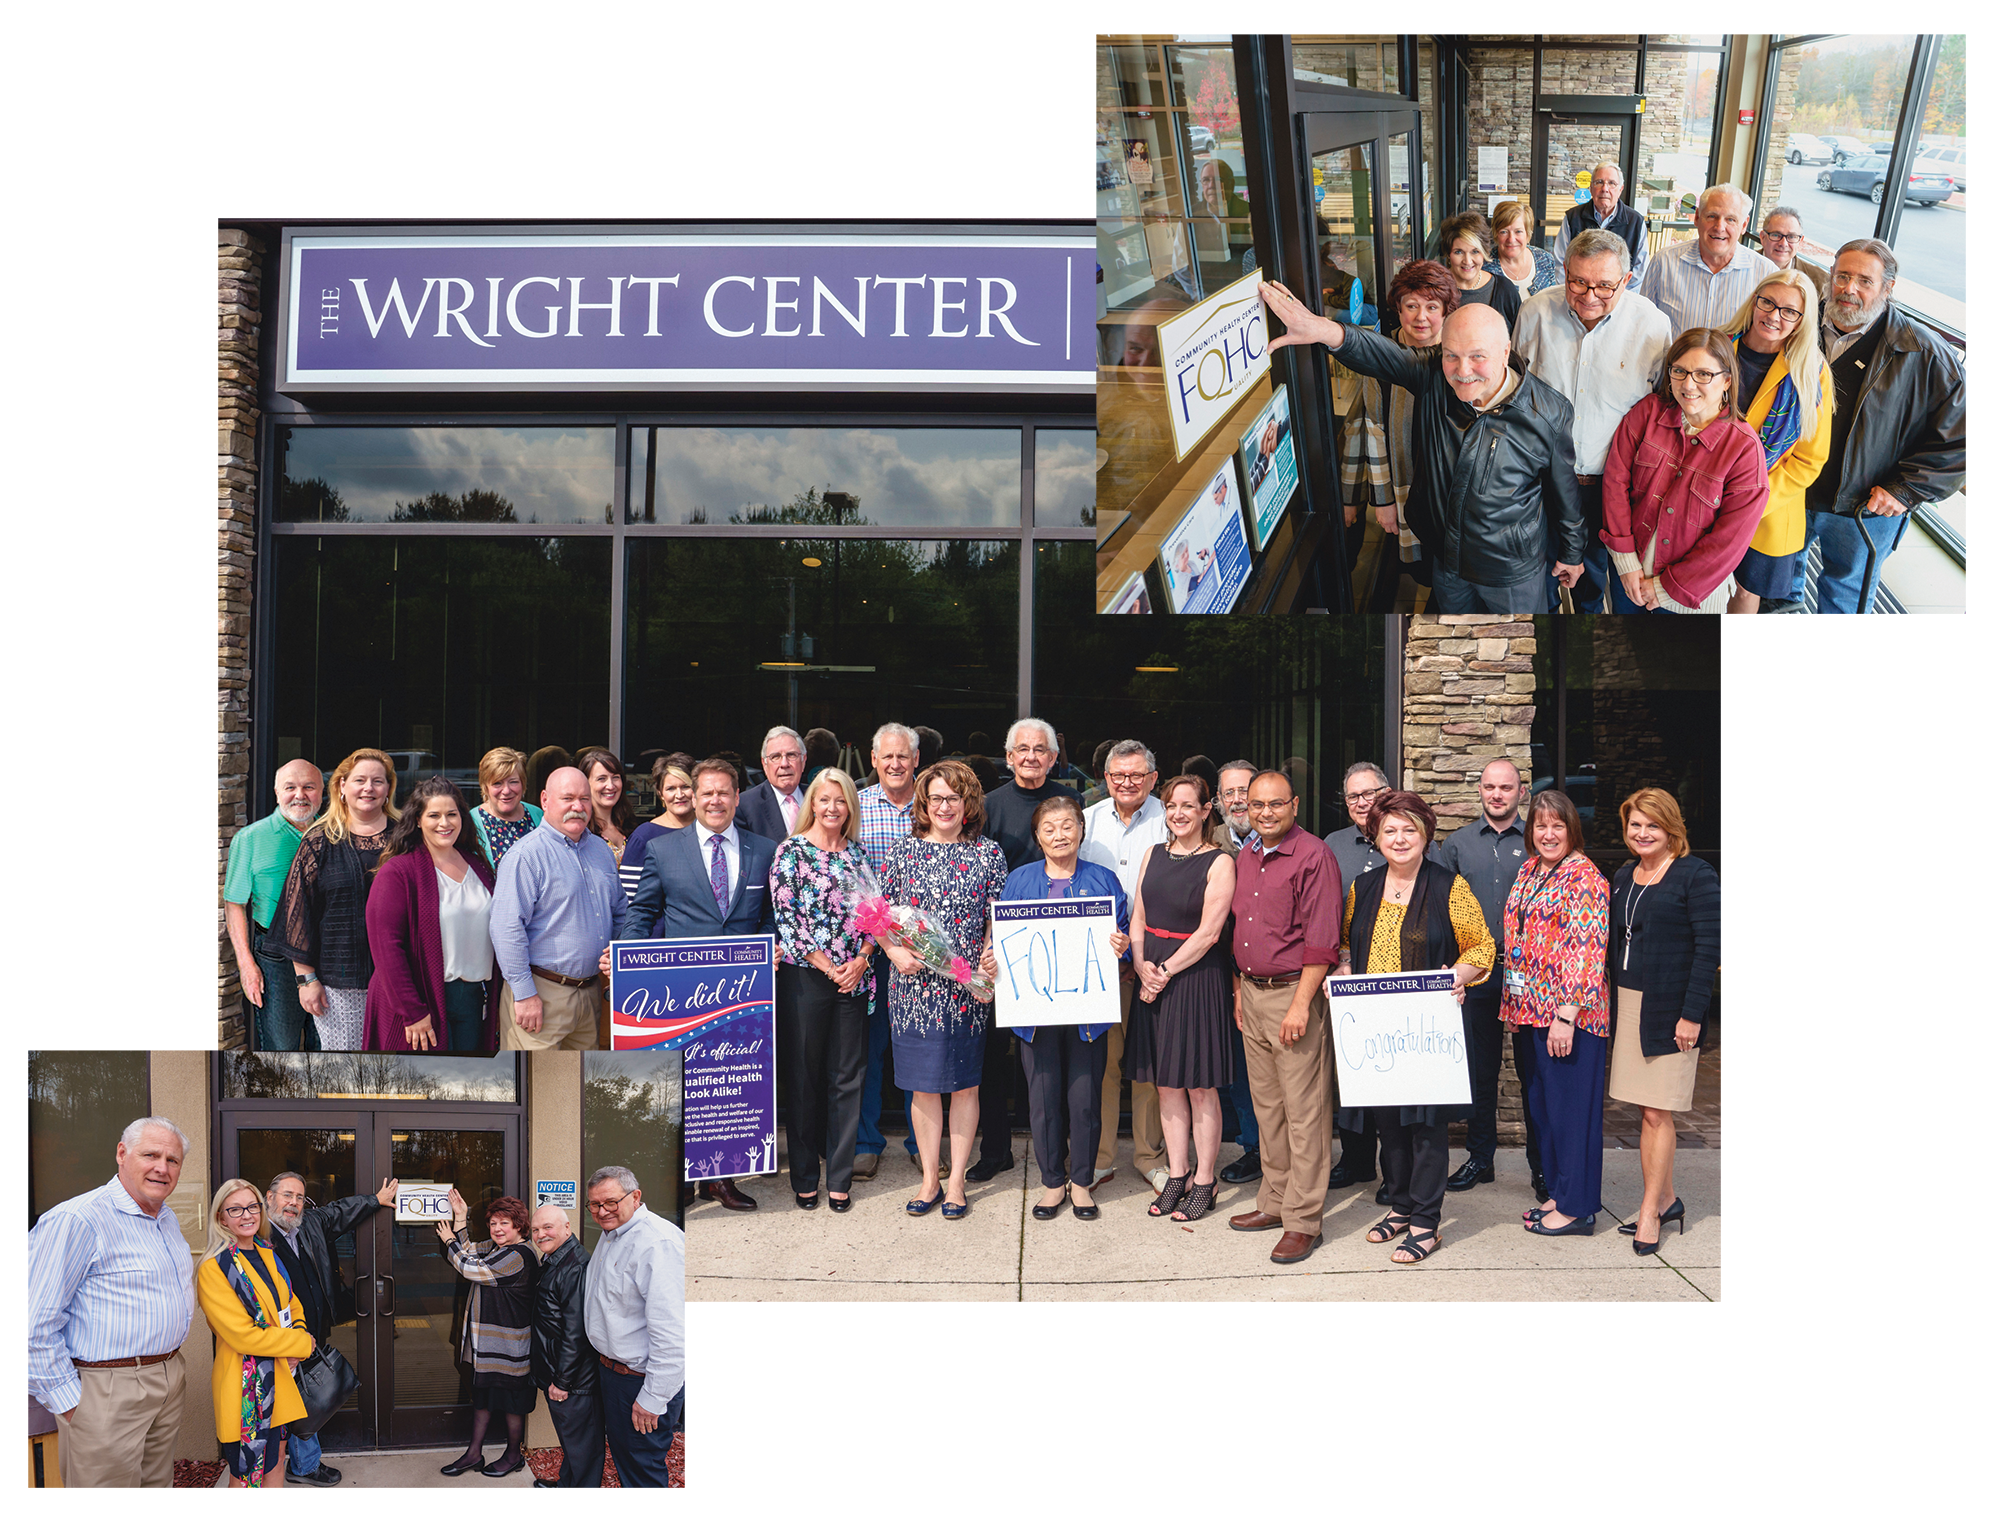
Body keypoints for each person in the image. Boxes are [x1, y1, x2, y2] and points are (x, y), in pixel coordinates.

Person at [1261, 280, 1585, 614]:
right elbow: (1381, 354)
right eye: (1451, 356)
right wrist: (1322, 329)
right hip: (1447, 560)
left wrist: (1573, 553)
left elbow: (1564, 490)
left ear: (1505, 352)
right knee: (1454, 643)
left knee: (1512, 649)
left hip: (1510, 570)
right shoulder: (1433, 375)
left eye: (1477, 357)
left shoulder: (1548, 413)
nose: (1462, 372)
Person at [1334, 791, 1495, 1265]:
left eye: (1410, 830)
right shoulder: (1362, 889)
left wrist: (1456, 977)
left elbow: (1480, 948)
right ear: (1375, 836)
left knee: (1427, 1126)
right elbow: (1347, 943)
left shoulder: (1449, 887)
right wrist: (1343, 968)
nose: (1399, 838)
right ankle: (1401, 1206)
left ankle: (1427, 1221)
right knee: (1389, 1125)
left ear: (1425, 836)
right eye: (1390, 830)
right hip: (1377, 1030)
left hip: (1427, 1030)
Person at [614, 756, 775, 1212]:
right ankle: (679, 1179)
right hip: (682, 990)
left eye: (724, 792)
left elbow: (768, 919)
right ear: (694, 796)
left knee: (729, 1085)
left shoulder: (763, 849)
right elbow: (641, 912)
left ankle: (720, 1180)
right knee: (681, 1084)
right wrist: (630, 962)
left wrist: (773, 949)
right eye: (707, 792)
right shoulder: (663, 850)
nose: (715, 800)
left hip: (742, 991)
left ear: (737, 797)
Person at [1791, 238, 1966, 614]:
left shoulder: (1926, 354)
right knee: (1781, 589)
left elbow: (1961, 442)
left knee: (1845, 600)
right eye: (1842, 276)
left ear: (1888, 288)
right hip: (1791, 492)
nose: (1848, 289)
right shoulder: (1794, 326)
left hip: (1864, 509)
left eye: (1864, 281)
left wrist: (1905, 490)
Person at [979, 794, 1131, 1222]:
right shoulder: (1020, 880)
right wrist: (992, 957)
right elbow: (1003, 939)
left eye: (1067, 826)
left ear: (1081, 831)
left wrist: (1123, 947)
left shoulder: (1103, 880)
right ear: (1038, 835)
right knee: (1043, 1101)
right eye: (1050, 828)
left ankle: (1081, 1183)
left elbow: (1123, 939)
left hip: (1087, 1014)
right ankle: (1050, 1183)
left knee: (1084, 1100)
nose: (1059, 835)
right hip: (1035, 1016)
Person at [28, 1117, 195, 1489]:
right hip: (106, 1389)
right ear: (122, 1153)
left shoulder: (165, 1219)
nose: (162, 1168)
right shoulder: (78, 1219)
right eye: (150, 1154)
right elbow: (34, 1323)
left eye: (173, 1160)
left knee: (156, 1482)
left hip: (166, 1375)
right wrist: (72, 1404)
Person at [1514, 228, 1674, 612]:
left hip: (1611, 485)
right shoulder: (1535, 311)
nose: (1589, 297)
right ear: (1564, 270)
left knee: (1594, 574)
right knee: (1537, 573)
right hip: (1541, 477)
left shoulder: (1653, 327)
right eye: (1578, 282)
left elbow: (1662, 408)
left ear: (1627, 280)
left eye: (1604, 286)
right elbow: (1515, 389)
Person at [881, 759, 1009, 1220]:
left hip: (965, 990)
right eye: (936, 797)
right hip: (913, 989)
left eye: (954, 798)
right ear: (924, 803)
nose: (944, 806)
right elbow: (876, 917)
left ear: (968, 803)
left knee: (965, 1087)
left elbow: (997, 919)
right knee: (922, 1089)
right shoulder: (902, 852)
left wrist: (988, 962)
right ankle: (929, 1179)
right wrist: (894, 953)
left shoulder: (988, 854)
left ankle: (956, 1182)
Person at [1225, 768, 1342, 1266]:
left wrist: (1300, 1005)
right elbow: (1241, 928)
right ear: (1245, 809)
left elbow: (1322, 939)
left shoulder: (1314, 855)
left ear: (1294, 805)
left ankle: (1303, 1220)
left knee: (1305, 1114)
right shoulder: (1247, 855)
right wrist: (1238, 989)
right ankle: (1273, 1203)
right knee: (1268, 1109)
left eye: (1275, 804)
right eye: (1257, 805)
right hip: (1251, 994)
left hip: (1295, 994)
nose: (1266, 813)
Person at [1608, 789, 1719, 1256]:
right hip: (1630, 1003)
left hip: (1671, 1009)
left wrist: (1691, 1015)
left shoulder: (1696, 875)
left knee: (1659, 1111)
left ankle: (1651, 1210)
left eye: (1652, 825)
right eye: (1635, 825)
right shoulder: (1623, 875)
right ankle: (1668, 1197)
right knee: (1644, 1109)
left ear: (1671, 827)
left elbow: (1709, 951)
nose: (1642, 833)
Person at [1128, 775, 1238, 1224]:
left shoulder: (1219, 861)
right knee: (1166, 1083)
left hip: (1193, 977)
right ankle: (1178, 1174)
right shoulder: (1152, 854)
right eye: (1171, 806)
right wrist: (1140, 965)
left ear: (1205, 810)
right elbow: (1138, 914)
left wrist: (1165, 971)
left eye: (1188, 806)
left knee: (1198, 1084)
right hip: (1150, 969)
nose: (1178, 814)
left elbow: (1211, 932)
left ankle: (1206, 1179)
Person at [1503, 790, 1611, 1240]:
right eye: (1541, 825)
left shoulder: (1584, 877)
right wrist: (1512, 1005)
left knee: (1572, 1115)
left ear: (1572, 829)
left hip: (1569, 1019)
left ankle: (1579, 1208)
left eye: (1557, 826)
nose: (1548, 834)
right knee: (1545, 1112)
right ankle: (1561, 1193)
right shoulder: (1530, 869)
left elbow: (1586, 951)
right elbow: (1519, 939)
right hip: (1530, 1013)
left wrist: (1565, 1017)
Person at [1602, 328, 1770, 613]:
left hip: (1685, 596)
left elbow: (1729, 540)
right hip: (1628, 576)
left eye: (1703, 374)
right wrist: (1626, 562)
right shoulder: (1648, 412)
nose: (1688, 385)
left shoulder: (1744, 449)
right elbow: (1615, 482)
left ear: (1727, 380)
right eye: (1679, 371)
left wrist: (1667, 588)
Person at [1436, 760, 1544, 1201]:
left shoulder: (1539, 839)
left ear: (1522, 792)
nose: (1497, 794)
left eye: (1506, 787)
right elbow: (1443, 908)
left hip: (1529, 977)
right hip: (1477, 972)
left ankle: (1542, 1167)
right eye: (1489, 787)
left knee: (1532, 1073)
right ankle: (1481, 1159)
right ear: (1478, 790)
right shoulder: (1457, 844)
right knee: (1479, 1072)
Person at [970, 718, 1072, 1182]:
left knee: (1054, 1057)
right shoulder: (987, 808)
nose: (1031, 757)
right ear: (1008, 758)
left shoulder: (1072, 804)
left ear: (1054, 757)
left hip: (1060, 952)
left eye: (1040, 750)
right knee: (994, 1055)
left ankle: (1058, 1147)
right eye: (1022, 750)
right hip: (998, 949)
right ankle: (995, 1149)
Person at [771, 766, 877, 1212]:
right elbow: (787, 920)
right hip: (806, 979)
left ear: (849, 806)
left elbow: (878, 915)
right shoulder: (791, 852)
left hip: (855, 977)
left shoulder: (858, 854)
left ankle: (839, 1177)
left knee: (847, 1079)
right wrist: (829, 967)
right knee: (803, 1080)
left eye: (840, 801)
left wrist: (863, 958)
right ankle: (805, 1178)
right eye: (824, 799)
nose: (832, 808)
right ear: (811, 803)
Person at [263, 1170, 397, 1487]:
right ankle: (302, 1466)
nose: (293, 1203)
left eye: (298, 1197)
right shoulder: (257, 1233)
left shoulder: (309, 1223)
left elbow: (339, 1211)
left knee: (306, 1396)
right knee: (292, 1400)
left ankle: (299, 1463)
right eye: (287, 1195)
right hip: (278, 1338)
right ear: (269, 1197)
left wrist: (375, 1201)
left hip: (312, 1330)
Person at [1315, 760, 1411, 1198]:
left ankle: (1397, 1173)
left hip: (1400, 978)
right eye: (1353, 796)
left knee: (1393, 1077)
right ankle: (1355, 1162)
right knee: (1352, 1073)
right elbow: (1323, 912)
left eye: (1369, 794)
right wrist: (1337, 960)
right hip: (1348, 974)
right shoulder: (1332, 845)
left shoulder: (1408, 836)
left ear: (1387, 793)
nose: (1361, 803)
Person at [1078, 740, 1171, 1193]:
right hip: (1102, 966)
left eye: (1136, 775)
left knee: (1150, 1065)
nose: (1127, 783)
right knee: (1105, 1064)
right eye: (1118, 776)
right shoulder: (1088, 822)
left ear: (1153, 778)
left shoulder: (1169, 818)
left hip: (1158, 963)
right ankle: (1100, 1157)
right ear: (1106, 778)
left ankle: (1151, 1155)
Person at [267, 747, 401, 1051]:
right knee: (346, 1072)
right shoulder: (319, 840)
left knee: (396, 1071)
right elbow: (296, 914)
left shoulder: (405, 837)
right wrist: (306, 980)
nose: (369, 788)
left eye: (378, 781)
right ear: (342, 786)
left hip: (400, 980)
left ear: (388, 789)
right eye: (360, 780)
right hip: (340, 988)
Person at [1341, 260, 1457, 609]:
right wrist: (1382, 500)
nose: (1421, 317)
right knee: (1422, 568)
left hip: (1452, 488)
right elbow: (1369, 430)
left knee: (1450, 573)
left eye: (1432, 307)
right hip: (1405, 485)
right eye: (1411, 306)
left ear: (1446, 311)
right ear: (1398, 307)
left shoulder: (1457, 353)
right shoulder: (1381, 354)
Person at [1721, 269, 1834, 613]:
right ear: (1754, 302)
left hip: (1767, 509)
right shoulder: (1717, 346)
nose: (1773, 316)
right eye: (1767, 303)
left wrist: (1753, 500)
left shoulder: (1811, 371)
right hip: (1702, 492)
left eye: (1789, 311)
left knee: (1745, 592)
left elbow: (1809, 459)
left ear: (1802, 320)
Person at [490, 766, 624, 1051]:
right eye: (568, 798)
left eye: (585, 799)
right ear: (545, 800)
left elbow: (621, 912)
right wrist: (524, 995)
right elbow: (506, 929)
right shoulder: (526, 856)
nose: (578, 807)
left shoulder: (601, 850)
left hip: (590, 993)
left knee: (579, 1089)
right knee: (537, 1088)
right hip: (541, 994)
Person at [364, 776, 501, 1052]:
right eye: (434, 815)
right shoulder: (398, 872)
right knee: (424, 1087)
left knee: (468, 1085)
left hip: (474, 999)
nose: (445, 823)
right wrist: (412, 1010)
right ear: (417, 820)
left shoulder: (477, 864)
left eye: (452, 814)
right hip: (421, 999)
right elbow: (387, 949)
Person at [195, 1178, 314, 1488]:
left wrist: (296, 1340)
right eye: (235, 1209)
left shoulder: (266, 1252)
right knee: (247, 1475)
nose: (246, 1215)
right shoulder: (214, 1267)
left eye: (252, 1207)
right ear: (221, 1217)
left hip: (279, 1379)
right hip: (248, 1389)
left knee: (274, 1464)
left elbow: (292, 1305)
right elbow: (243, 1336)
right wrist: (300, 1344)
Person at [582, 1165, 686, 1488]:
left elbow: (674, 1334)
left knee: (642, 1469)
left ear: (636, 1196)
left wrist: (653, 1397)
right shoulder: (612, 1234)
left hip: (640, 1382)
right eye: (595, 1205)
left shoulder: (658, 1243)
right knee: (630, 1462)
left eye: (610, 1202)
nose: (602, 1211)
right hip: (614, 1375)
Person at [854, 723, 922, 1179]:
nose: (895, 764)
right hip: (871, 948)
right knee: (868, 1050)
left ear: (916, 760)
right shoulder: (856, 808)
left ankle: (923, 1141)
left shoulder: (936, 804)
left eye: (904, 756)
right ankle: (866, 1141)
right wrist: (880, 941)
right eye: (887, 757)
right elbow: (852, 883)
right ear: (874, 761)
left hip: (925, 950)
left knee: (921, 1048)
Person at [434, 1189, 536, 1477]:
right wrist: (460, 1218)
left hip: (510, 1346)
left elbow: (468, 1267)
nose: (497, 1229)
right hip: (488, 1345)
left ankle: (514, 1455)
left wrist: (449, 1240)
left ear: (519, 1226)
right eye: (493, 1223)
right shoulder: (496, 1248)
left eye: (505, 1223)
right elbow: (468, 1252)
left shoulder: (519, 1255)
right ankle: (473, 1454)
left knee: (511, 1404)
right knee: (482, 1399)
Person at [225, 758, 324, 1052]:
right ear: (276, 792)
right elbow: (235, 905)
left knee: (329, 1051)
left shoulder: (333, 835)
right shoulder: (251, 839)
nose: (300, 795)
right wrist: (246, 966)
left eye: (309, 787)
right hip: (275, 957)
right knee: (281, 1052)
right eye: (290, 787)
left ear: (322, 791)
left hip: (327, 954)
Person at [1638, 183, 1777, 338]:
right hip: (1672, 362)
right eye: (1712, 216)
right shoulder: (1664, 262)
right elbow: (1643, 323)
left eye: (1730, 219)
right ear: (1697, 217)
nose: (1719, 227)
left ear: (1744, 225)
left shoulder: (1766, 273)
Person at [529, 1204, 601, 1490]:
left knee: (584, 1450)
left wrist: (562, 1380)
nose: (540, 1234)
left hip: (573, 1381)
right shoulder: (557, 1260)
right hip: (561, 1374)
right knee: (574, 1444)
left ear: (567, 1228)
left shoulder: (575, 1267)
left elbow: (576, 1332)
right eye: (535, 1230)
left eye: (547, 1227)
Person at [1551, 161, 1650, 287]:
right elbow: (1560, 263)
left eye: (1612, 183)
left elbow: (1640, 271)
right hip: (1579, 296)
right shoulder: (1573, 218)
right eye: (1599, 182)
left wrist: (1618, 299)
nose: (1605, 189)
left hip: (1620, 299)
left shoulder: (1635, 222)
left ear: (1621, 189)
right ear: (1591, 188)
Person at [620, 757, 697, 917]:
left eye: (685, 786)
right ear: (660, 793)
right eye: (670, 788)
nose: (679, 795)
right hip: (656, 937)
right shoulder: (644, 836)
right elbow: (629, 899)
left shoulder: (709, 832)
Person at [1439, 209, 1523, 332]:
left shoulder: (1505, 290)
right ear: (1448, 254)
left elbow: (1518, 340)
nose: (1467, 261)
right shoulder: (1435, 290)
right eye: (1459, 252)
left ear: (1484, 253)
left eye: (1475, 251)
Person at [470, 746, 545, 869]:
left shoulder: (538, 815)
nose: (506, 790)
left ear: (523, 783)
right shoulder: (470, 822)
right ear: (485, 787)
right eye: (497, 783)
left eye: (513, 782)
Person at [736, 726, 808, 841]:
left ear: (803, 760)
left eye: (791, 755)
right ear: (764, 764)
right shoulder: (745, 807)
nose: (784, 764)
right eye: (776, 757)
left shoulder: (820, 798)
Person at [1490, 198, 1564, 303]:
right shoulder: (1485, 266)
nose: (1511, 239)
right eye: (1504, 232)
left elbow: (1553, 302)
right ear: (1496, 234)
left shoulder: (1545, 260)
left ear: (1528, 234)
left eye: (1518, 231)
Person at [575, 747, 635, 867]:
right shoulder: (579, 830)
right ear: (585, 783)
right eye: (601, 779)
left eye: (615, 777)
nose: (610, 785)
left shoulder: (630, 824)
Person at [1756, 205, 1826, 305]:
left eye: (1791, 237)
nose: (1783, 243)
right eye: (1776, 235)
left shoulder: (1819, 281)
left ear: (1800, 241)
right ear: (1763, 238)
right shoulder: (1742, 267)